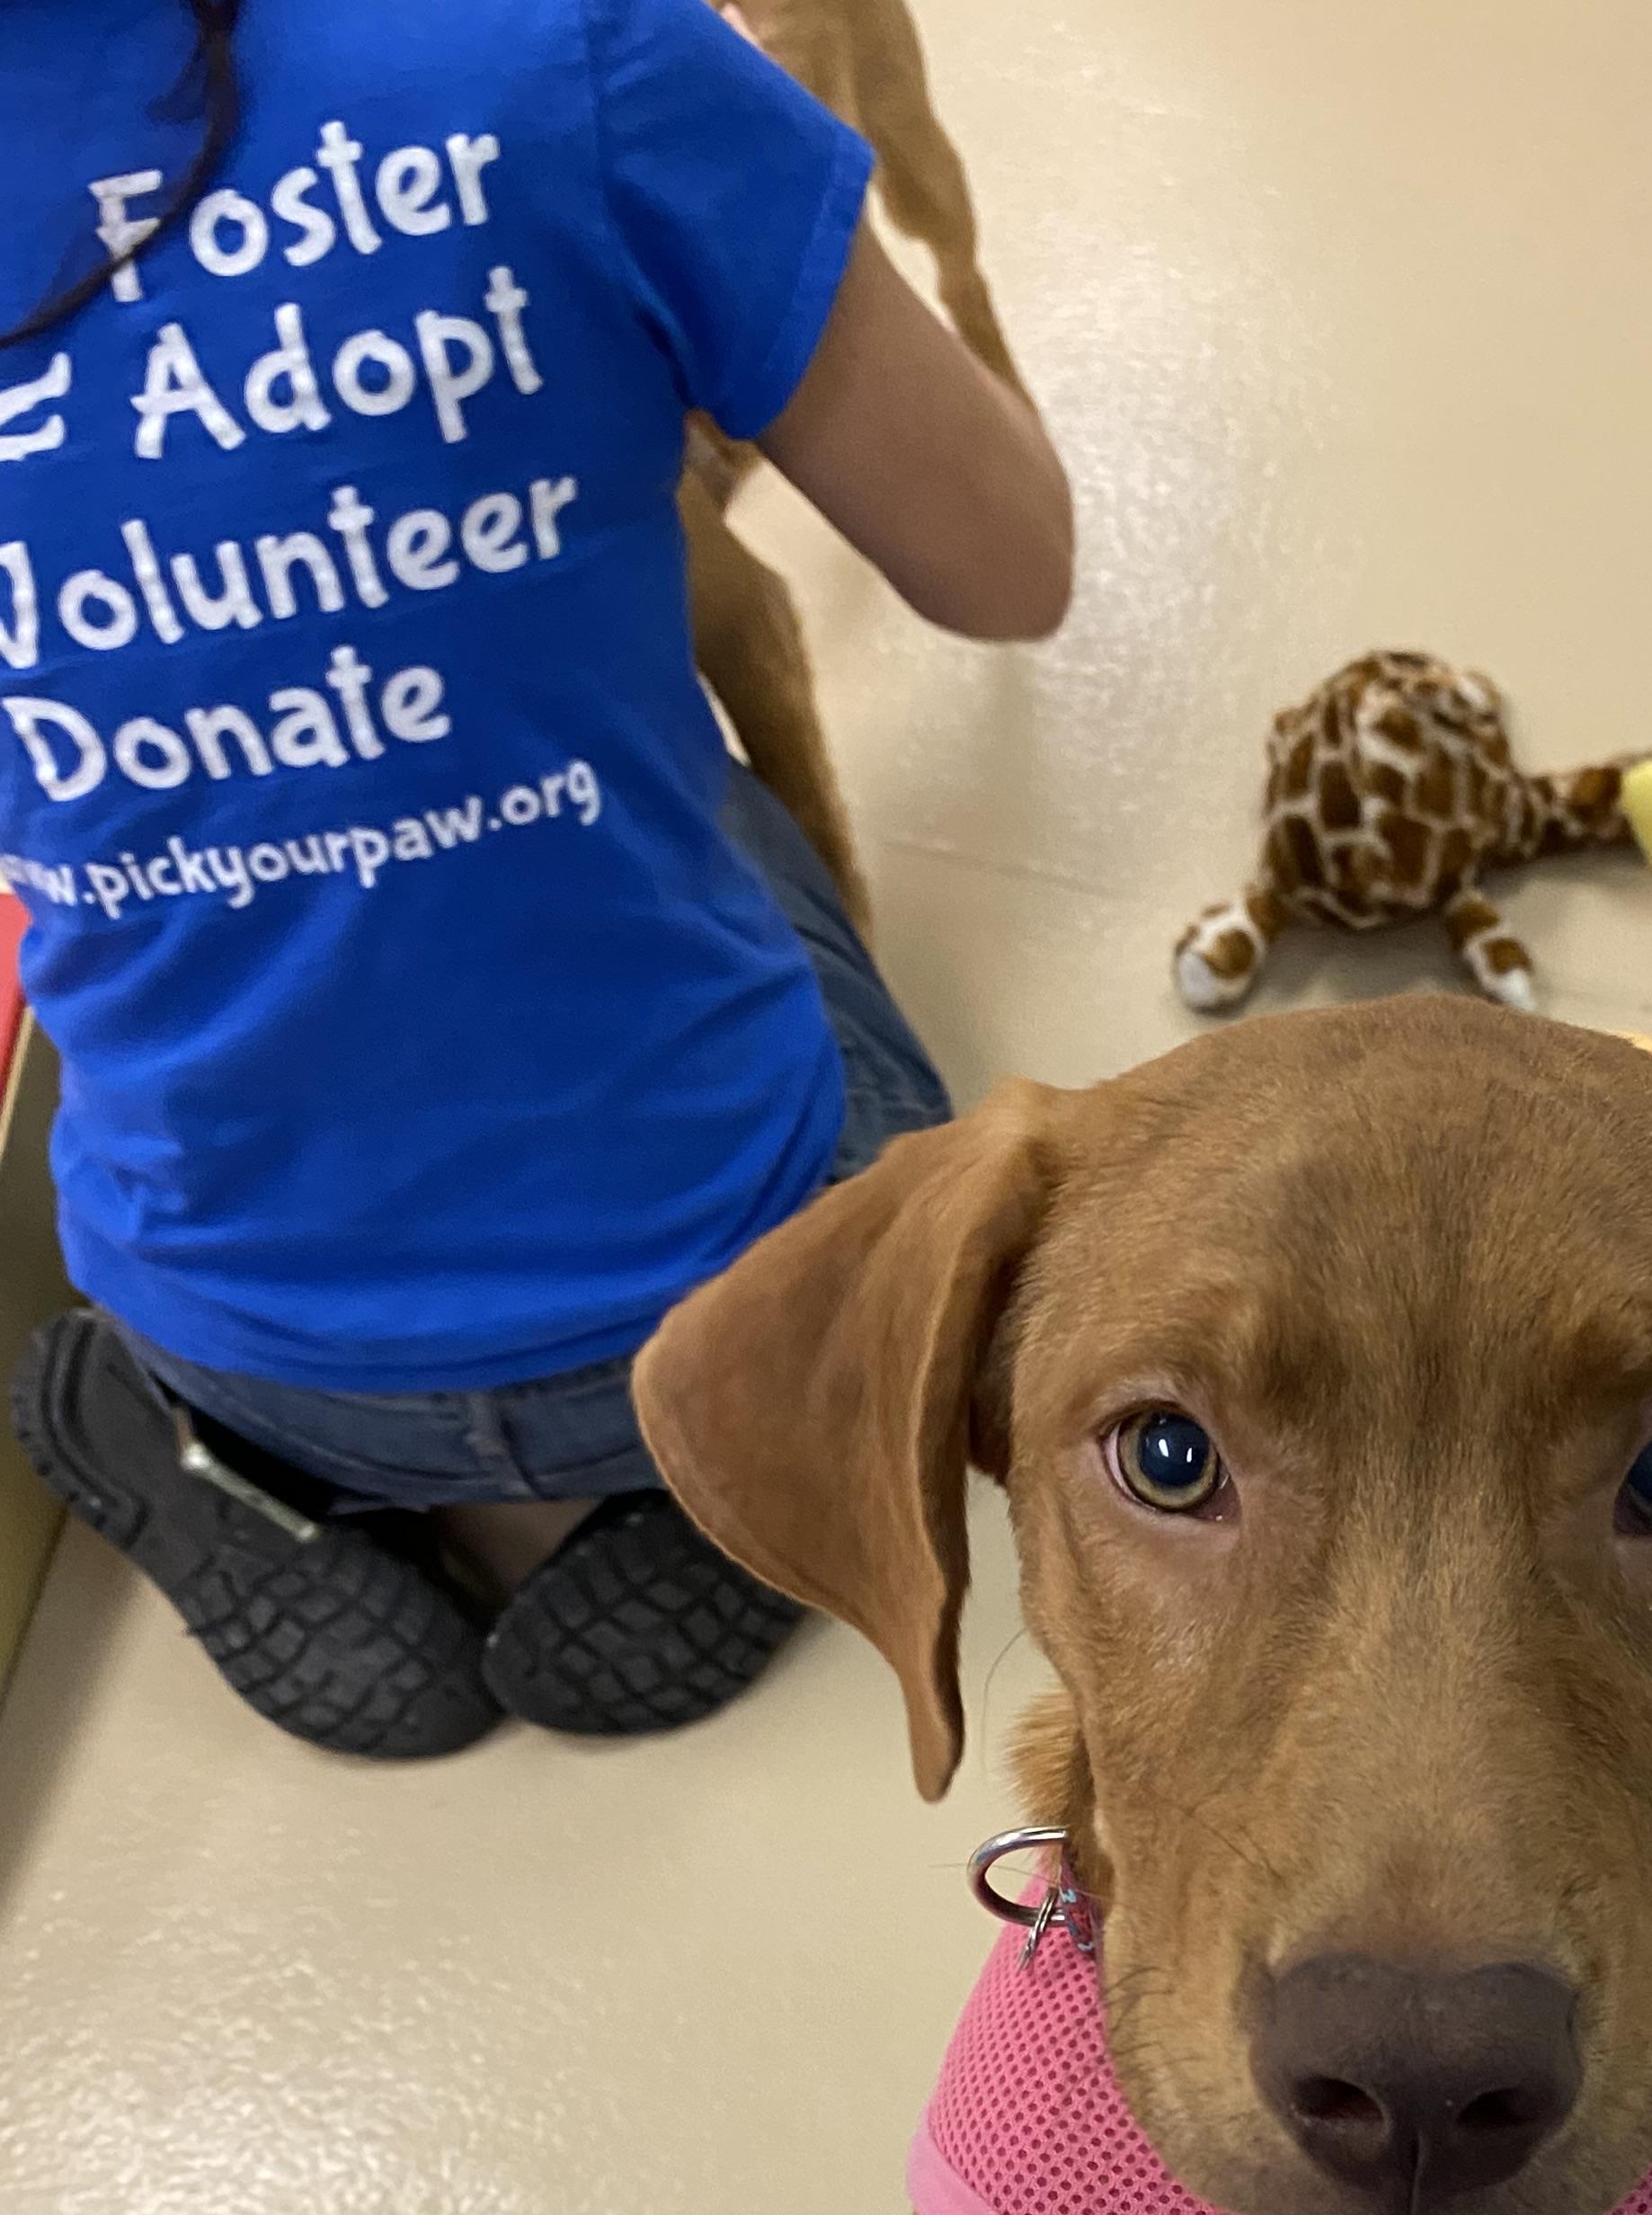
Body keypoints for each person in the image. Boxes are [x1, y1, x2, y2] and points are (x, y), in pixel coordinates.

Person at [0, 0, 1070, 1755]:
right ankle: (737, 1489)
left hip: (223, 1325)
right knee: (676, 780)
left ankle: (209, 1463)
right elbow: (1015, 571)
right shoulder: (572, 50)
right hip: (722, 1296)